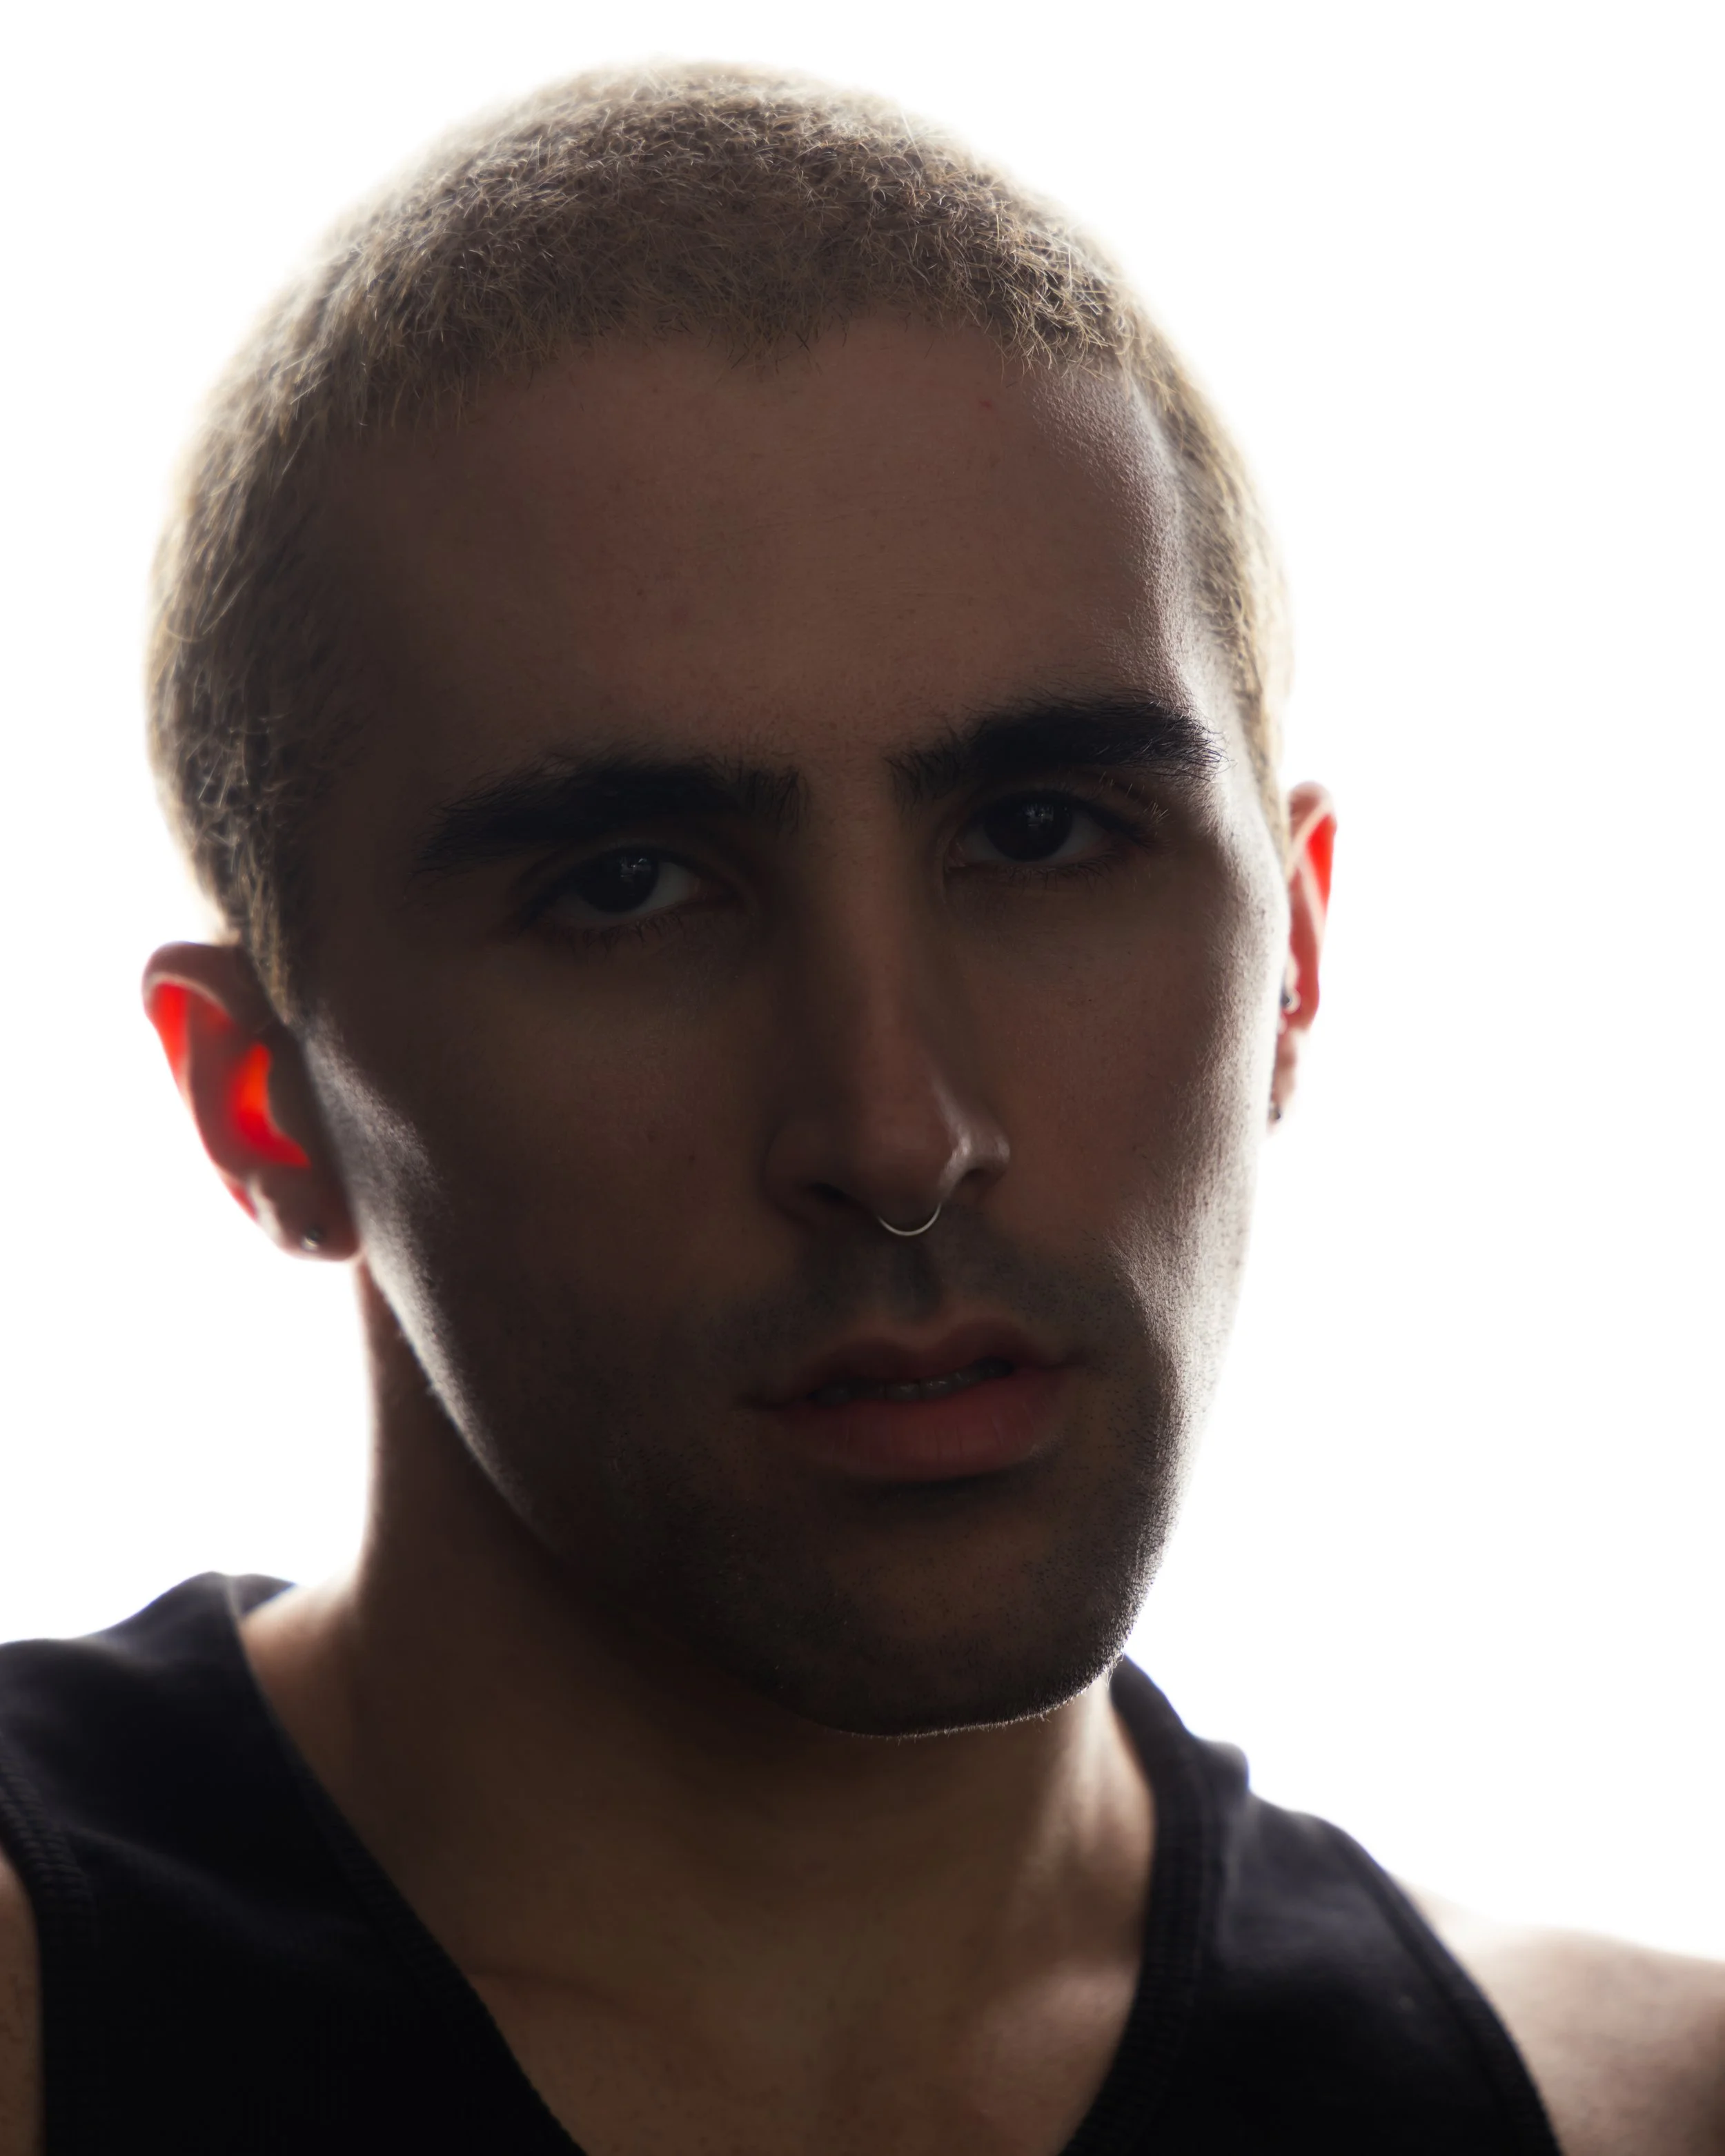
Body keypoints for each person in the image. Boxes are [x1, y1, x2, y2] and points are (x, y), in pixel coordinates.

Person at [0, 64, 1718, 2156]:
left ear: (1294, 952)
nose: (897, 1132)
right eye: (628, 886)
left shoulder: (1643, 2107)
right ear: (259, 1105)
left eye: (1043, 833)